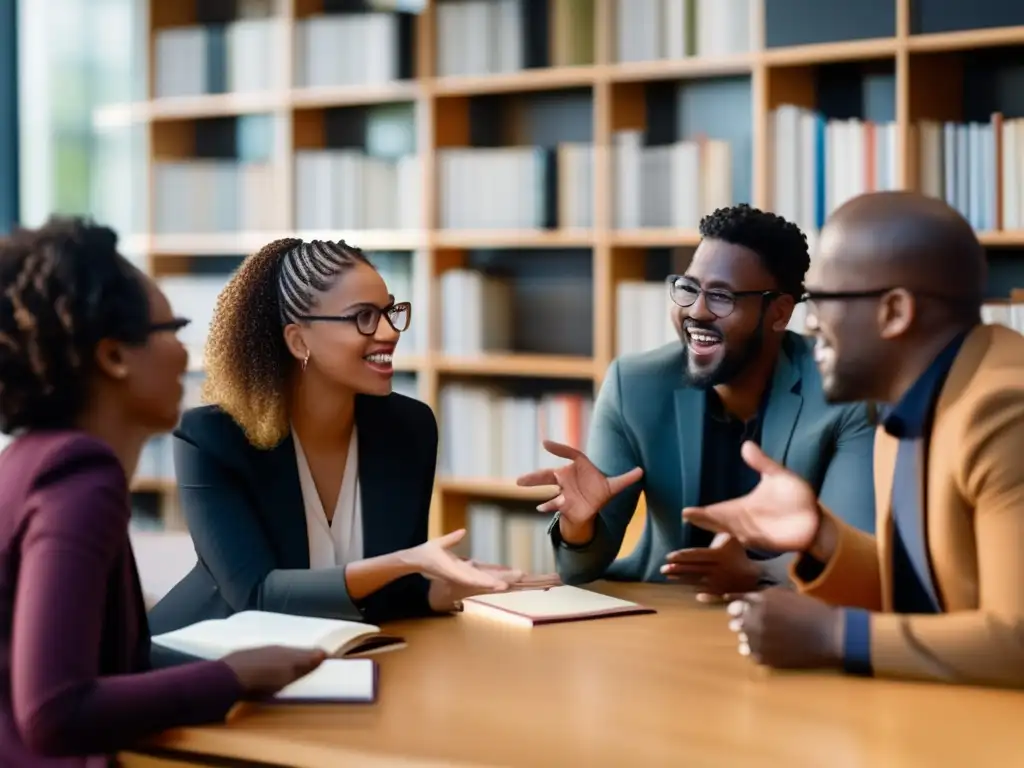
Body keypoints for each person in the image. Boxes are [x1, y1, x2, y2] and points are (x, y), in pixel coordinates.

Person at [0, 218, 328, 766]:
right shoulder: (80, 479)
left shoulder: (29, 460)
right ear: (114, 357)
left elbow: (99, 663)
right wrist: (233, 676)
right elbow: (54, 711)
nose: (185, 353)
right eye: (172, 328)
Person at [683, 191, 1024, 688]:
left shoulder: (1004, 412)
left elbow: (1016, 640)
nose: (810, 321)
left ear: (894, 312)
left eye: (822, 299)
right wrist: (818, 534)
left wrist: (836, 635)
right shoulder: (909, 403)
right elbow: (924, 588)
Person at [148, 238, 544, 635]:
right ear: (298, 340)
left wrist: (442, 589)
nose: (389, 332)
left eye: (390, 312)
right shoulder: (212, 438)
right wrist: (408, 562)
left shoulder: (410, 428)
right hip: (205, 665)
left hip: (332, 663)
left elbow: (385, 592)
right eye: (364, 317)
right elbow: (256, 597)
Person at [517, 204, 876, 596]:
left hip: (793, 614)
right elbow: (580, 569)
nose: (697, 311)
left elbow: (857, 552)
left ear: (779, 311)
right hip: (665, 608)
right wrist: (579, 525)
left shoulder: (842, 394)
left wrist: (761, 573)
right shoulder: (634, 385)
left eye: (721, 297)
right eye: (688, 288)